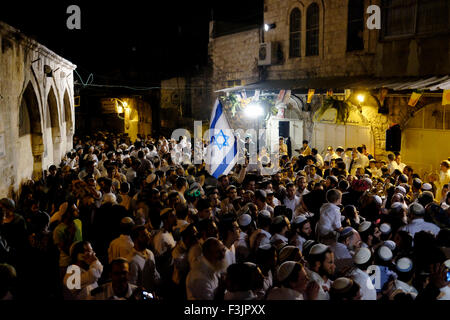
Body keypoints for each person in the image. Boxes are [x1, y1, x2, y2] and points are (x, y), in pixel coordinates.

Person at [126, 225, 160, 292]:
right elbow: (132, 286)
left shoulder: (150, 253)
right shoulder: (132, 260)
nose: (148, 237)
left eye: (147, 234)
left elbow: (155, 274)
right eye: (144, 236)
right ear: (135, 240)